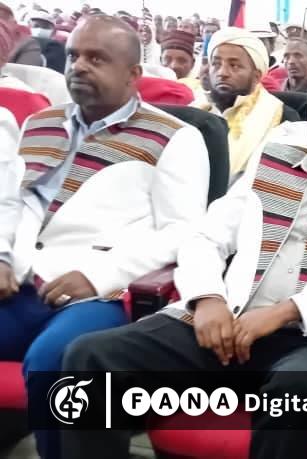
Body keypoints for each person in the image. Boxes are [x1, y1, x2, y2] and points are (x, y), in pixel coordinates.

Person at [61, 59, 307, 459]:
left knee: (295, 391)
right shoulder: (275, 153)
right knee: (90, 357)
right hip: (230, 322)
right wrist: (208, 298)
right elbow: (206, 236)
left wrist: (286, 312)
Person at [0, 15, 209, 458]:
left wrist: (96, 276)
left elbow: (183, 230)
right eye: (73, 55)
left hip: (100, 293)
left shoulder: (176, 137)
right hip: (19, 280)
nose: (78, 66)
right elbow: (10, 203)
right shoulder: (39, 122)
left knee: (57, 362)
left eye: (96, 59)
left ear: (133, 74)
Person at [193, 27, 287, 180]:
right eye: (216, 64)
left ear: (256, 76)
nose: (222, 73)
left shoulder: (279, 116)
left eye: (234, 66)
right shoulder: (197, 108)